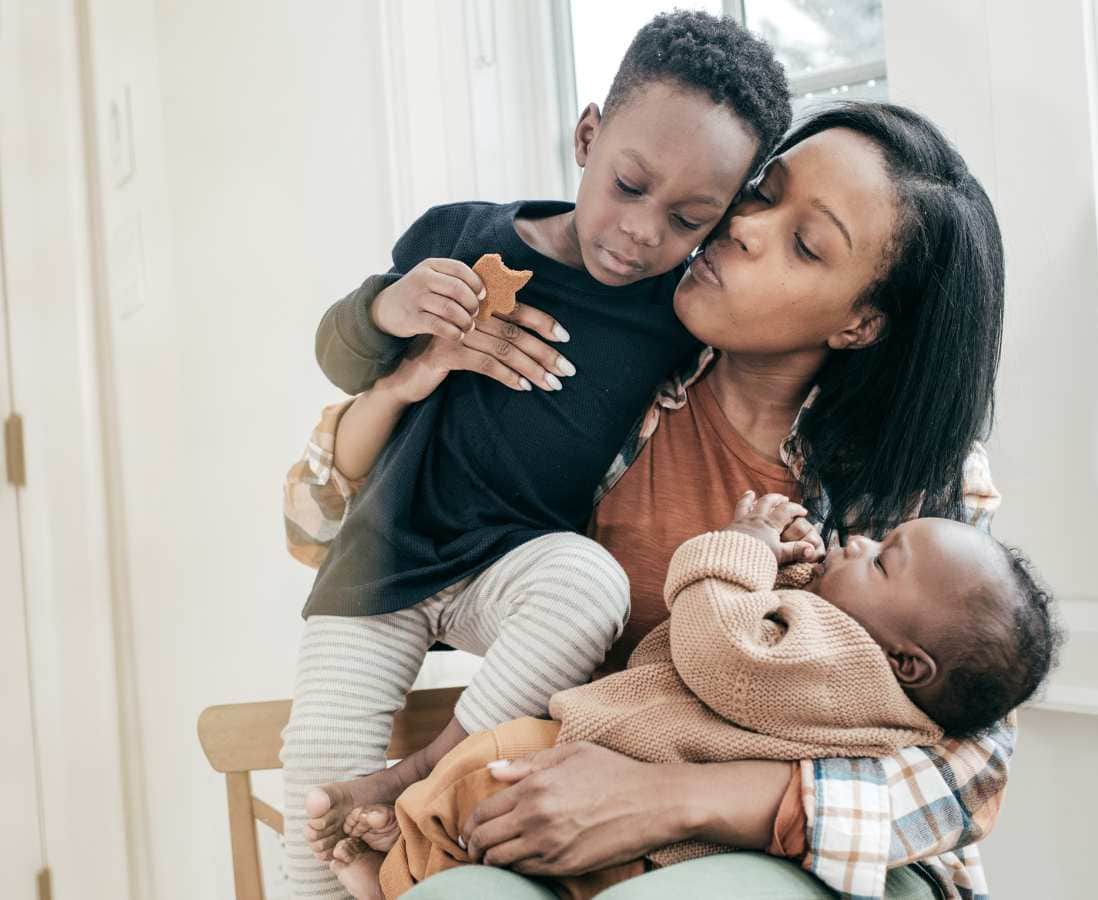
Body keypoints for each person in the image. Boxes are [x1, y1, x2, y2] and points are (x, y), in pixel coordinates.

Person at [292, 100, 1013, 900]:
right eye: (761, 194)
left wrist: (667, 802)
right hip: (569, 823)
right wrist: (405, 380)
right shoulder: (614, 362)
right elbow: (315, 520)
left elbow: (973, 765)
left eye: (805, 245)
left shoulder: (914, 480)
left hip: (803, 858)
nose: (744, 228)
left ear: (860, 322)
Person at [281, 13, 793, 898]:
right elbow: (338, 349)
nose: (641, 231)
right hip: (384, 557)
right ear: (588, 135)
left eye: (687, 219)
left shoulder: (681, 312)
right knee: (316, 801)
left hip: (509, 570)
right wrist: (392, 311)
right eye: (629, 185)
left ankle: (432, 770)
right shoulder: (463, 233)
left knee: (587, 582)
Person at [322, 491, 1059, 900]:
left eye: (884, 558)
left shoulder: (848, 661)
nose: (860, 542)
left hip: (669, 811)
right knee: (493, 824)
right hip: (650, 818)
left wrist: (738, 549)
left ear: (909, 663)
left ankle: (398, 863)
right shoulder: (871, 681)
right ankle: (406, 859)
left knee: (490, 775)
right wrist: (798, 577)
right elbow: (783, 680)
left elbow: (727, 656)